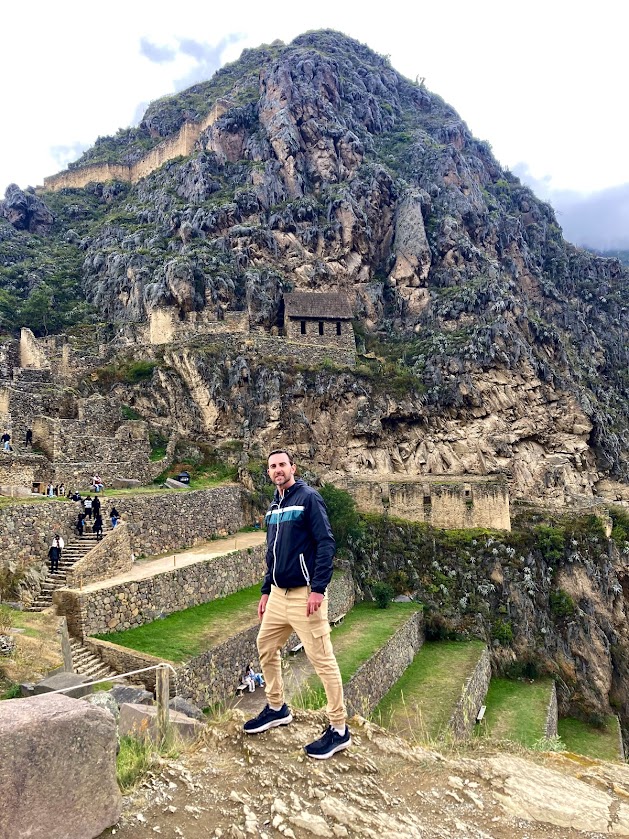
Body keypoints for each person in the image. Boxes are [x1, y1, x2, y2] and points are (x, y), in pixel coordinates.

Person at [243, 449, 350, 760]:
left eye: (282, 465)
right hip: (278, 595)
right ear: (269, 472)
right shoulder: (273, 506)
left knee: (322, 660)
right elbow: (272, 553)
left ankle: (339, 729)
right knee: (265, 645)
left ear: (293, 467)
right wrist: (266, 590)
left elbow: (326, 542)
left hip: (305, 596)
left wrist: (318, 589)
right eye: (272, 466)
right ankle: (277, 707)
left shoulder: (308, 498)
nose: (278, 470)